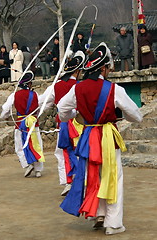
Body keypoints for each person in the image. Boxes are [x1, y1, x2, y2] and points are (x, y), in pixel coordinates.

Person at [57, 42, 142, 235]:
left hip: (87, 137)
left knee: (93, 176)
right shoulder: (114, 89)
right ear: (103, 68)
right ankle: (113, 223)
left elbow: (62, 109)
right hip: (107, 137)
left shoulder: (77, 89)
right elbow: (136, 115)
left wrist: (74, 116)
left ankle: (98, 214)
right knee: (113, 177)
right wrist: (122, 116)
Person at [38, 51, 85, 196]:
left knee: (62, 153)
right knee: (82, 152)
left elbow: (42, 103)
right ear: (77, 71)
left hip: (64, 124)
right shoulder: (81, 85)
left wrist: (53, 105)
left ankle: (68, 182)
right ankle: (83, 180)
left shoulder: (56, 86)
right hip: (81, 124)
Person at [0, 71, 45, 178]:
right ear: (29, 84)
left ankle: (27, 164)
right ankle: (38, 170)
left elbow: (6, 108)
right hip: (33, 123)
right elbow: (39, 108)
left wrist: (4, 117)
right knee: (36, 144)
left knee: (20, 146)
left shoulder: (14, 95)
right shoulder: (35, 94)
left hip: (20, 123)